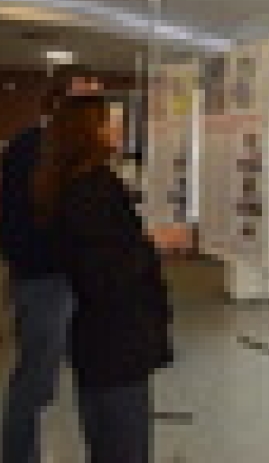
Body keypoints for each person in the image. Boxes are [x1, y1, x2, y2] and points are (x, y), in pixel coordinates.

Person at [0, 70, 190, 462]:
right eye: (92, 104)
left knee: (92, 387)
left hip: (87, 299)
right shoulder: (51, 164)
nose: (113, 121)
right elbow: (101, 265)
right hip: (49, 282)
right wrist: (145, 243)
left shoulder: (80, 177)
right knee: (39, 383)